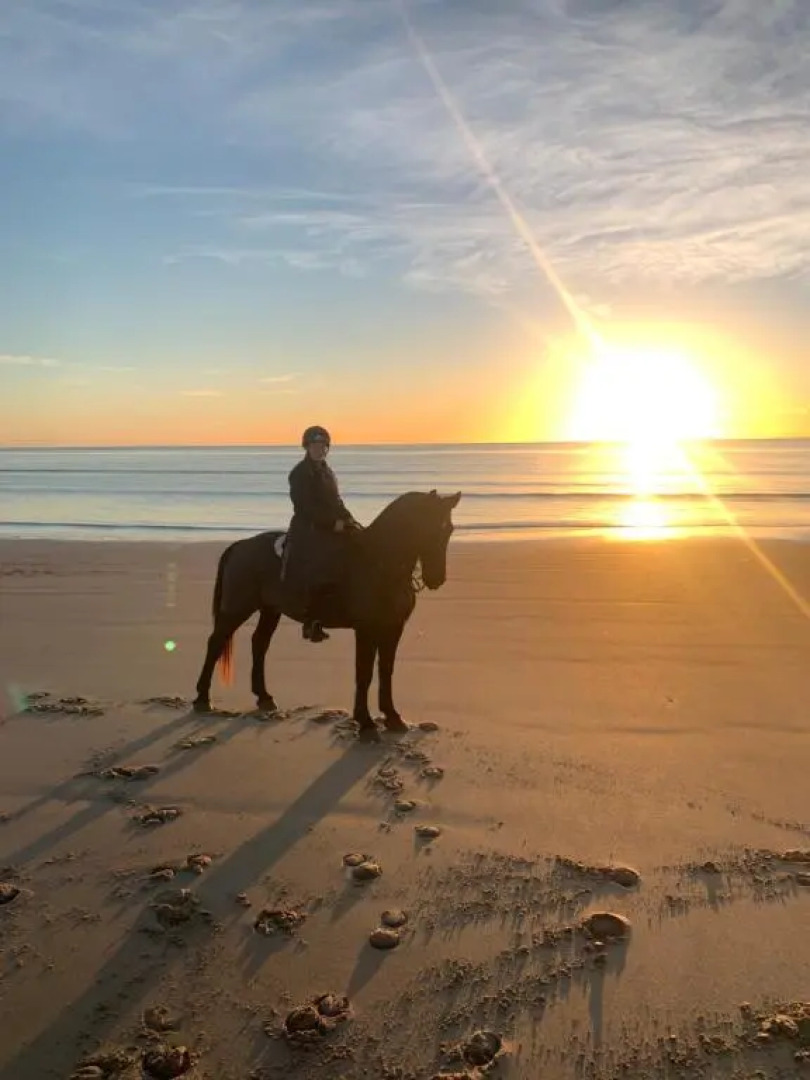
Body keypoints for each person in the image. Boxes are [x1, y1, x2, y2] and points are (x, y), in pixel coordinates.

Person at [285, 425, 361, 642]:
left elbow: (336, 501)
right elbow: (305, 507)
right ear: (307, 447)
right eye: (315, 445)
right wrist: (331, 524)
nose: (319, 449)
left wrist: (348, 519)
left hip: (331, 525)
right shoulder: (299, 474)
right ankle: (312, 620)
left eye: (323, 446)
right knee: (322, 562)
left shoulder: (328, 472)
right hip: (307, 529)